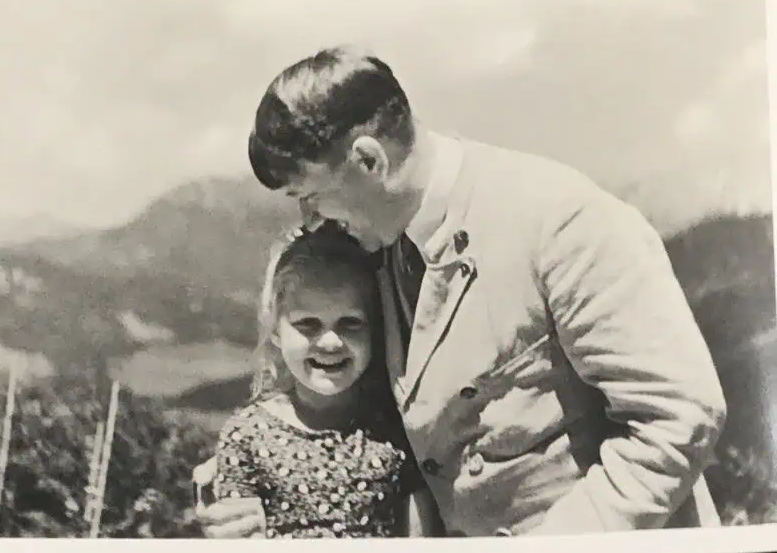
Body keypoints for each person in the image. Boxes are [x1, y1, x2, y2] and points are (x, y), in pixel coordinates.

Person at [196, 46, 727, 537]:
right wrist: (256, 481)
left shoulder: (560, 221)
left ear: (368, 160)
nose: (309, 221)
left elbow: (680, 415)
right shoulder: (378, 247)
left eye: (310, 197)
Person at [203, 222, 438, 538]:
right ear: (275, 330)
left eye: (350, 323)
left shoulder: (397, 429)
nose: (330, 342)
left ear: (375, 330)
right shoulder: (247, 437)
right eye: (308, 324)